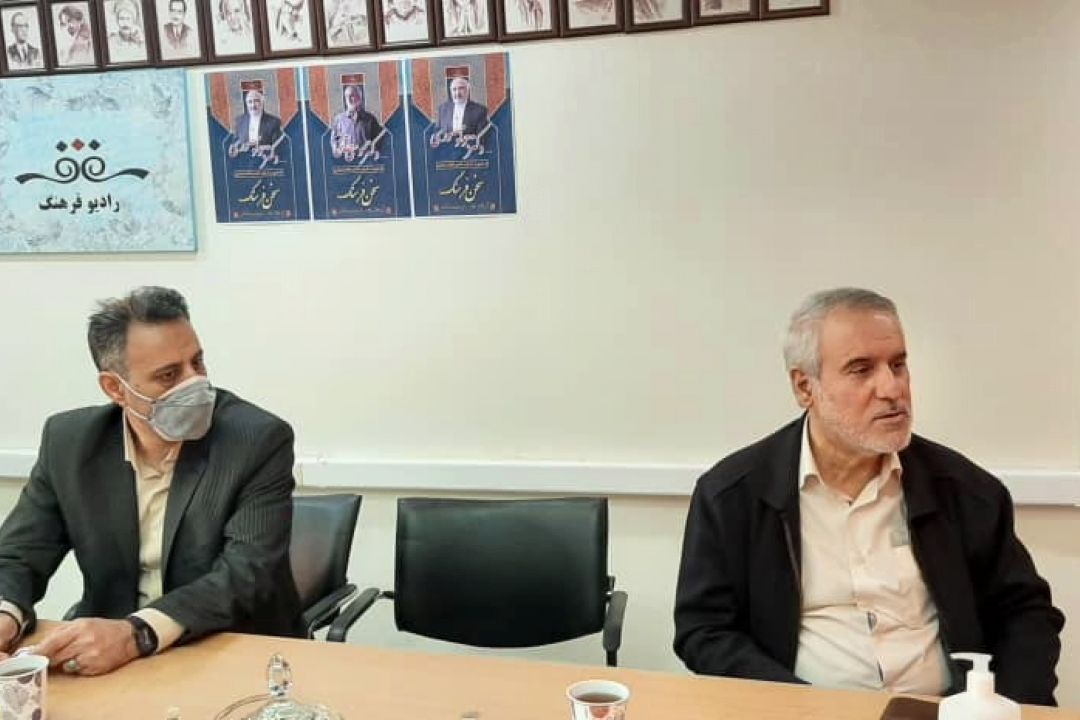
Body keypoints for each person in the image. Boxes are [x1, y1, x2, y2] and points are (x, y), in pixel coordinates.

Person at [673, 288, 1064, 706]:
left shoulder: (966, 491)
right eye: (861, 370)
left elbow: (1026, 615)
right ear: (805, 387)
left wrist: (997, 708)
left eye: (898, 365)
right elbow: (705, 630)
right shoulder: (733, 495)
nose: (892, 388)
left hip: (940, 710)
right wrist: (793, 706)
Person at [0, 287, 303, 676]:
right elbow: (19, 554)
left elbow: (246, 575)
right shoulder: (70, 443)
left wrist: (136, 634)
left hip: (230, 649)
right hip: (111, 660)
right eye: (169, 375)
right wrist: (6, 613)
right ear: (115, 388)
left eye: (197, 362)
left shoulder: (256, 439)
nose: (195, 384)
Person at [330, 84, 384, 157]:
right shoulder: (339, 120)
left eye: (352, 95)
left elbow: (379, 142)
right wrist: (337, 150)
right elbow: (334, 141)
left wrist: (370, 151)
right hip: (345, 161)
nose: (348, 99)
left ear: (359, 98)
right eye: (346, 96)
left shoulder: (370, 119)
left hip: (365, 162)